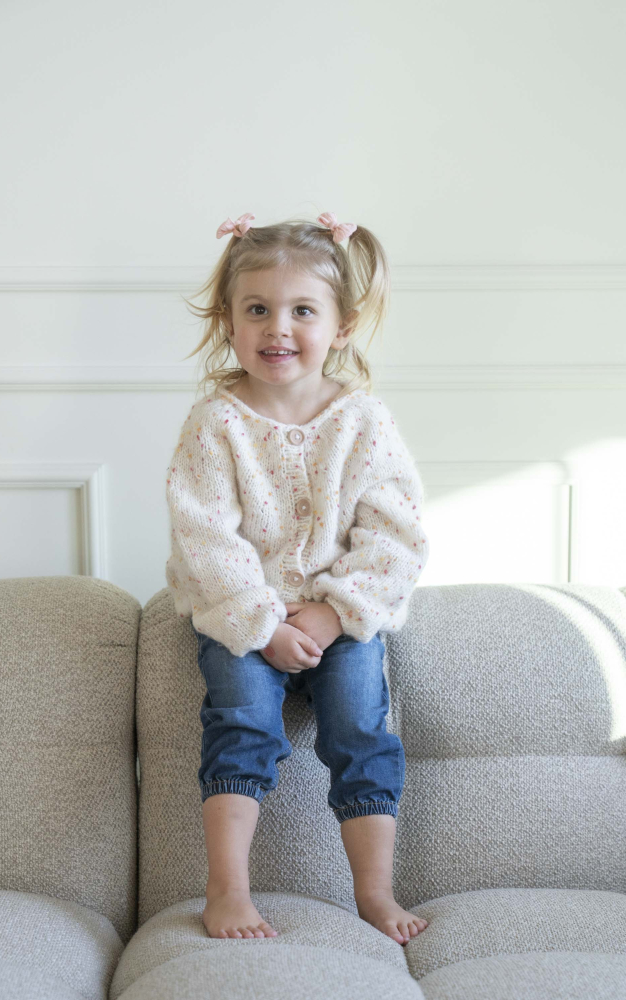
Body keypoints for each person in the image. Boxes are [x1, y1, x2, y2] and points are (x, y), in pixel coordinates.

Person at [165, 210, 430, 947]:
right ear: (228, 321)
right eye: (257, 309)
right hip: (242, 615)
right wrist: (264, 626)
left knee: (360, 730)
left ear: (342, 326)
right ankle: (227, 890)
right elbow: (204, 537)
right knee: (242, 725)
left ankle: (375, 893)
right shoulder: (214, 424)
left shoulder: (363, 421)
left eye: (302, 311)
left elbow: (396, 533)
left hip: (341, 616)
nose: (277, 328)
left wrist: (332, 613)